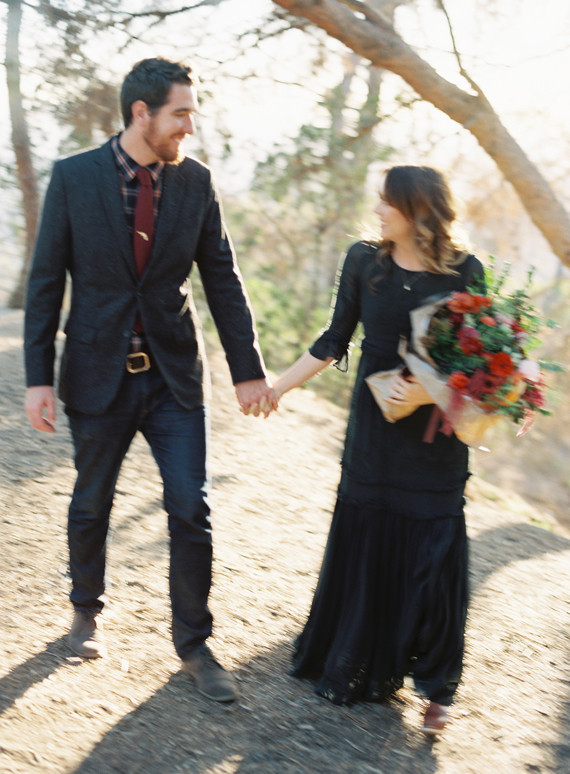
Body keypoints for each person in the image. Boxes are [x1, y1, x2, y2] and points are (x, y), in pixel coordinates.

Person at [24, 57, 275, 703]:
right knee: (90, 502)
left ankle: (194, 644)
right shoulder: (74, 177)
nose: (190, 126)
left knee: (191, 507)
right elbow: (47, 280)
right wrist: (38, 380)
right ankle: (85, 610)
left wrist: (247, 371)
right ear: (142, 113)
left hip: (173, 378)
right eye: (180, 113)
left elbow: (221, 275)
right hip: (96, 372)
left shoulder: (195, 183)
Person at [261, 166, 484, 733]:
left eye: (388, 203)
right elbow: (335, 337)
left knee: (434, 553)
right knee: (367, 538)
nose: (378, 211)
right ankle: (355, 660)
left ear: (418, 210)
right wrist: (276, 387)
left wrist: (428, 393)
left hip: (435, 438)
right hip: (375, 431)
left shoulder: (466, 271)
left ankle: (437, 685)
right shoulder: (364, 260)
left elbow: (476, 366)